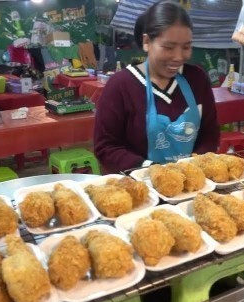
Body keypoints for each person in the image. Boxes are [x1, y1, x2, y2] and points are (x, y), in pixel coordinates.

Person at [94, 1, 219, 174]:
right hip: (139, 190)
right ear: (147, 42)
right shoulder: (120, 85)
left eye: (186, 47)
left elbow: (210, 134)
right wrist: (151, 171)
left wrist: (193, 168)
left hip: (191, 185)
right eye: (168, 47)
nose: (178, 57)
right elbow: (106, 147)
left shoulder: (196, 79)